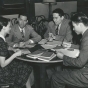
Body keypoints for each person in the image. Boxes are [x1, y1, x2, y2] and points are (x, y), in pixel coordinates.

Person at [51, 12, 88, 88]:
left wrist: (63, 57)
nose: (73, 29)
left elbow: (80, 63)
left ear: (80, 25)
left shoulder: (86, 38)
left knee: (56, 77)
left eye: (74, 26)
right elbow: (85, 48)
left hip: (86, 75)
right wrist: (71, 45)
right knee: (66, 70)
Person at [0, 16, 33, 88]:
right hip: (2, 72)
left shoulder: (1, 38)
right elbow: (2, 64)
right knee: (26, 67)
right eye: (9, 26)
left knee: (25, 65)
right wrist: (15, 54)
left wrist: (12, 49)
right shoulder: (1, 42)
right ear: (3, 27)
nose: (10, 28)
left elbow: (5, 47)